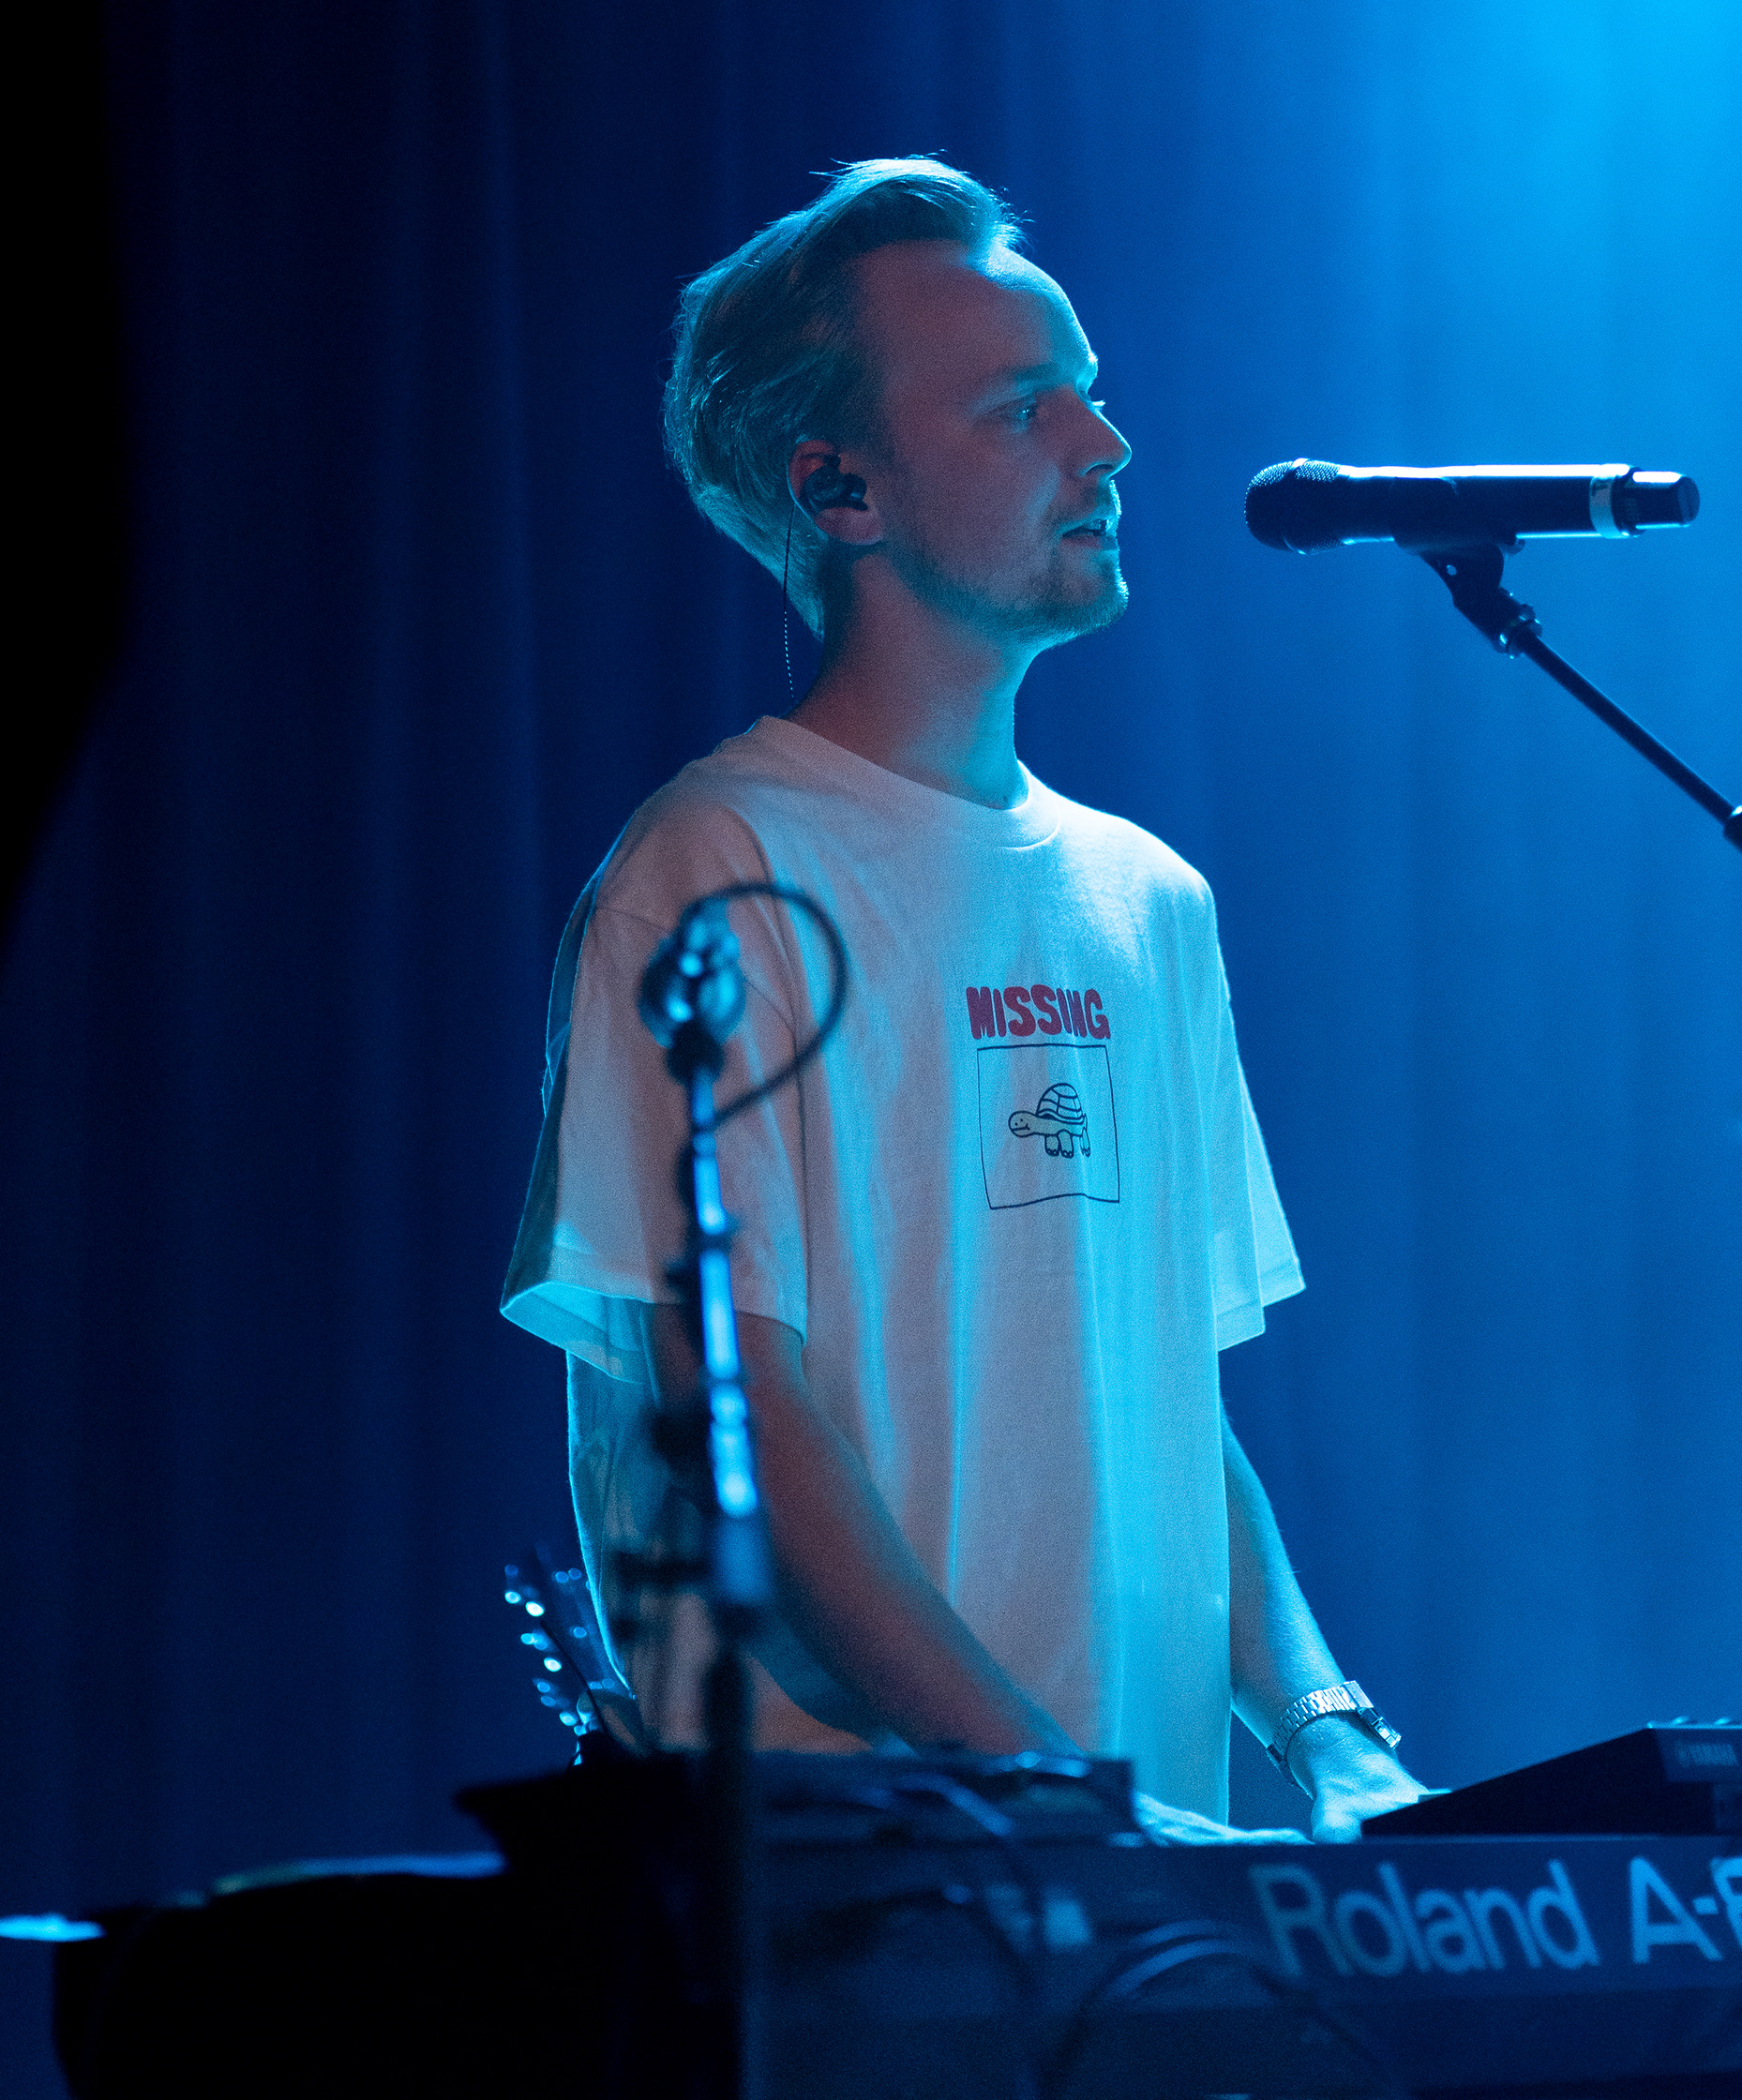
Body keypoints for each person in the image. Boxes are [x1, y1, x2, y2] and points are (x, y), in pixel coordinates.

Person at [502, 158, 1425, 1838]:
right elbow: (735, 1418)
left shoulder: (1150, 900)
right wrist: (1061, 1804)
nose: (1106, 443)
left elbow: (1167, 1407)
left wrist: (1325, 1728)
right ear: (840, 489)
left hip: (1146, 1892)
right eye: (1022, 407)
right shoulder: (715, 870)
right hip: (859, 1899)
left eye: (1090, 389)